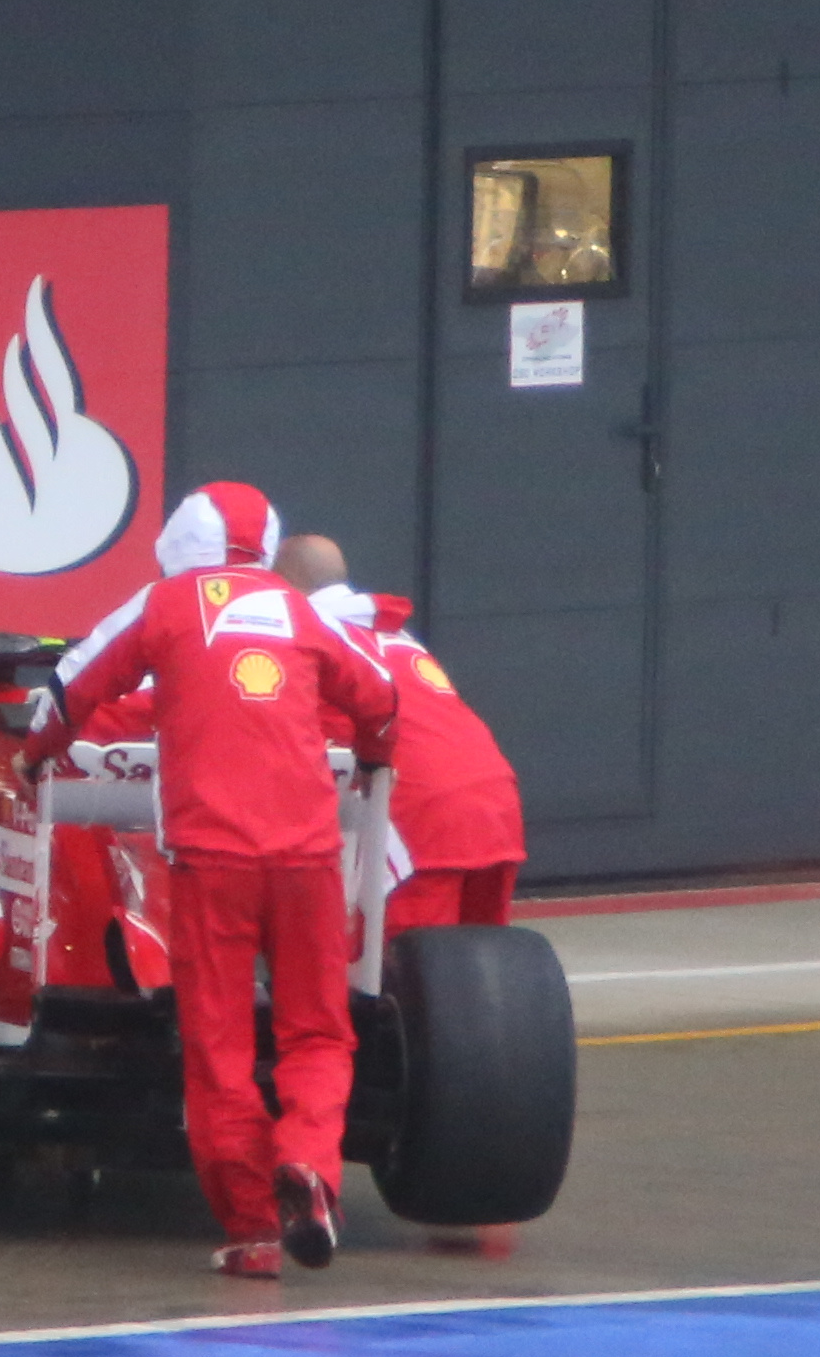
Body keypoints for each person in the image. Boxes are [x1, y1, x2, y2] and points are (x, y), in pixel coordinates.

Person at [48, 481, 404, 1280]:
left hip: (212, 861)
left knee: (220, 1049)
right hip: (309, 856)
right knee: (317, 1032)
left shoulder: (164, 604)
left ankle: (253, 1232)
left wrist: (35, 752)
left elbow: (72, 691)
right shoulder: (301, 609)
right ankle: (308, 1162)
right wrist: (376, 760)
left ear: (179, 541)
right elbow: (380, 701)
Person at [299, 541, 536, 1259]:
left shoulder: (301, 640)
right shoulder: (395, 635)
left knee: (393, 1018)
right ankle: (479, 1169)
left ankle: (314, 1177)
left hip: (420, 824)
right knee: (476, 1026)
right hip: (494, 805)